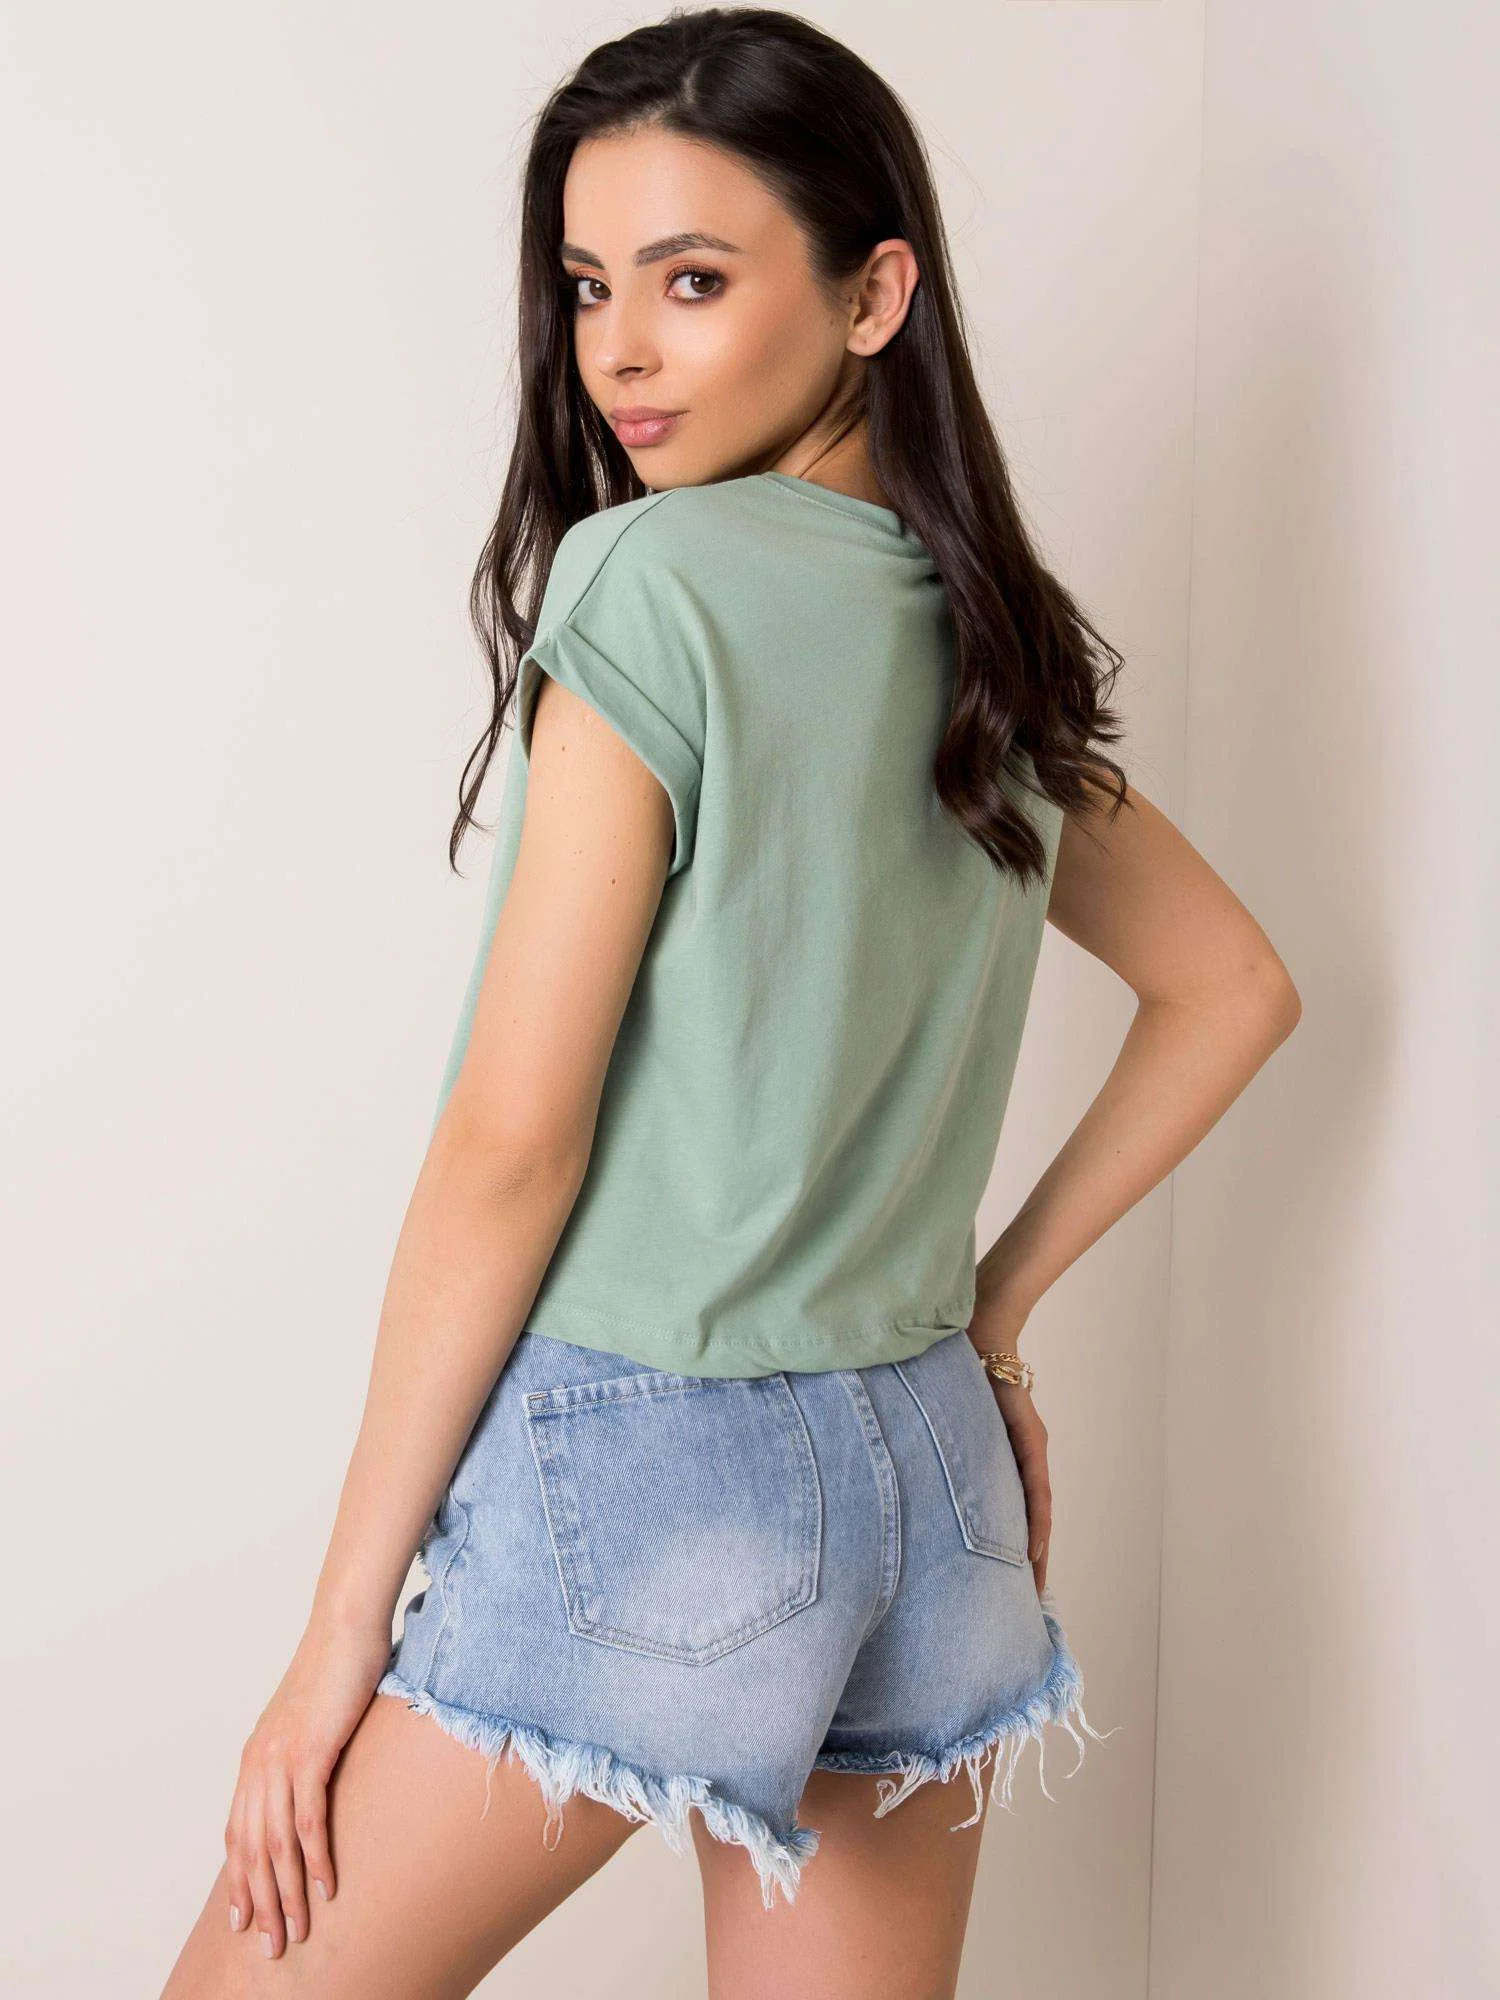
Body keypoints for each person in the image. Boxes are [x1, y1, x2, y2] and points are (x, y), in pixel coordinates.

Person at [161, 9, 1300, 1996]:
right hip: (932, 1485)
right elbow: (1234, 987)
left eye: (692, 281)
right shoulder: (983, 631)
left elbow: (514, 1146)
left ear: (874, 294)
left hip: (657, 1476)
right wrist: (992, 1313)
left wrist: (340, 1634)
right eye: (588, 284)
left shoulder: (653, 583)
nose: (618, 349)